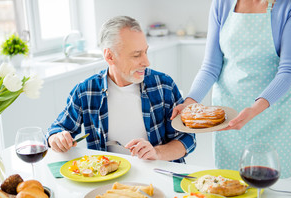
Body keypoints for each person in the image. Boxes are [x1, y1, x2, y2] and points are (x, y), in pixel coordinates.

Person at [171, 0, 291, 177]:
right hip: (229, 115)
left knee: (269, 187)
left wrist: (254, 109)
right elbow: (211, 66)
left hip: (274, 113)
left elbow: (289, 71)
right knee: (228, 181)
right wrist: (190, 101)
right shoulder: (222, 3)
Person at [46, 16, 196, 162]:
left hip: (160, 174)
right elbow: (56, 129)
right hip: (110, 181)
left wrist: (156, 153)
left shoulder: (163, 85)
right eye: (137, 55)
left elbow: (187, 138)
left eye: (145, 51)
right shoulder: (86, 91)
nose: (147, 62)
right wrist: (57, 138)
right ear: (110, 56)